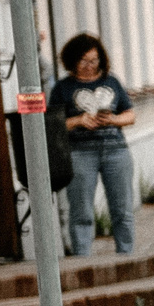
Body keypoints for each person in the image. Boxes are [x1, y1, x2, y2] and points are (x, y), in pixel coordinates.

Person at [47, 32, 134, 257]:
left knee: (123, 210)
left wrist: (112, 119)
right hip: (80, 153)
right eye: (84, 61)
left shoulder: (111, 81)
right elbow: (54, 124)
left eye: (94, 60)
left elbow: (130, 115)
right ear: (72, 61)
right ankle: (82, 260)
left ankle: (126, 257)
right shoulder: (63, 88)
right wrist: (78, 120)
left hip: (116, 151)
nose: (90, 66)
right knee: (81, 212)